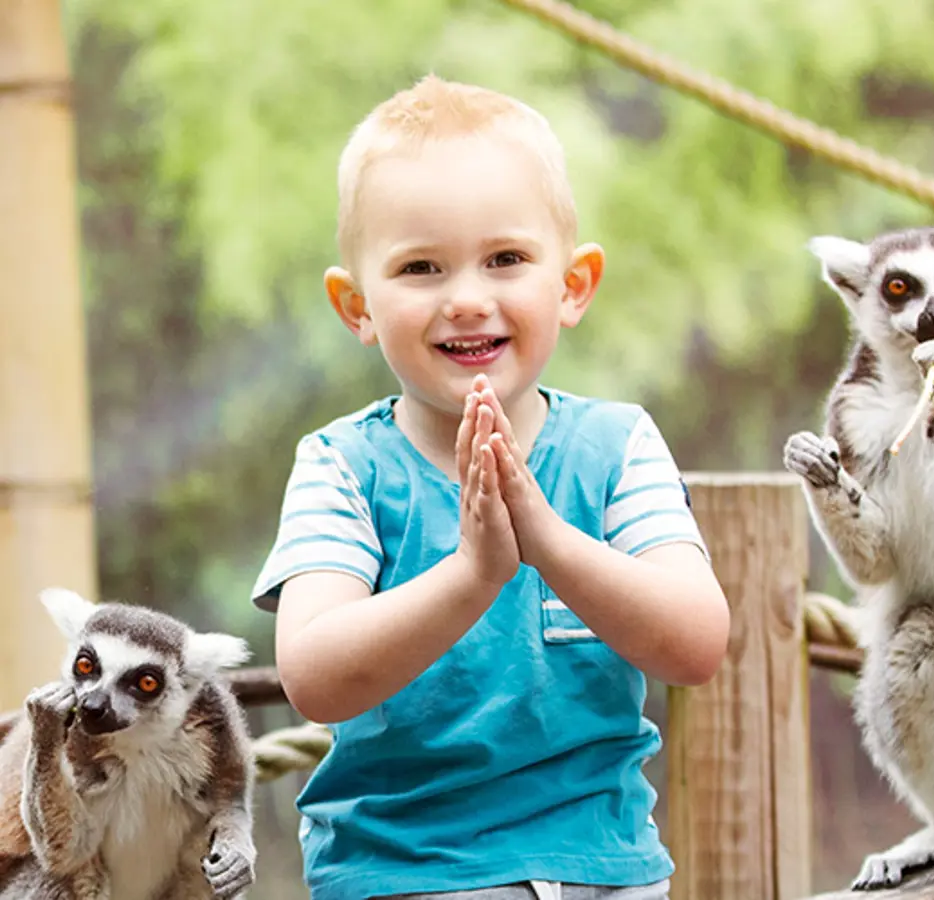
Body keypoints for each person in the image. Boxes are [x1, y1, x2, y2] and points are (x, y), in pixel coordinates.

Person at [250, 75, 730, 900]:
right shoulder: (342, 466)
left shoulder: (617, 447)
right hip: (406, 872)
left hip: (605, 866)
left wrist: (547, 541)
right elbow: (312, 673)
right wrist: (474, 572)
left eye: (505, 259)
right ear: (357, 306)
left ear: (572, 285)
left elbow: (694, 645)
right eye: (421, 268)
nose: (468, 299)